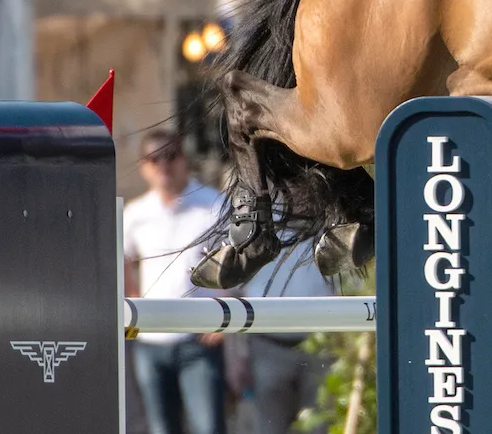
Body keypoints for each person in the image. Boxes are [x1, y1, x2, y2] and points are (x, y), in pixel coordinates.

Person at [123, 129, 228, 434]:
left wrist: (223, 310)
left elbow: (236, 259)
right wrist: (134, 301)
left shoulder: (214, 205)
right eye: (154, 159)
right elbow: (123, 258)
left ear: (184, 159)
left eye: (170, 156)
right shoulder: (135, 213)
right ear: (143, 166)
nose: (163, 166)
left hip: (199, 339)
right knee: (160, 429)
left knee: (209, 426)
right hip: (150, 341)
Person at [241, 240, 337, 434]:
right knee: (270, 427)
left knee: (320, 426)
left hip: (320, 341)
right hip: (268, 341)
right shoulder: (261, 216)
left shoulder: (332, 218)